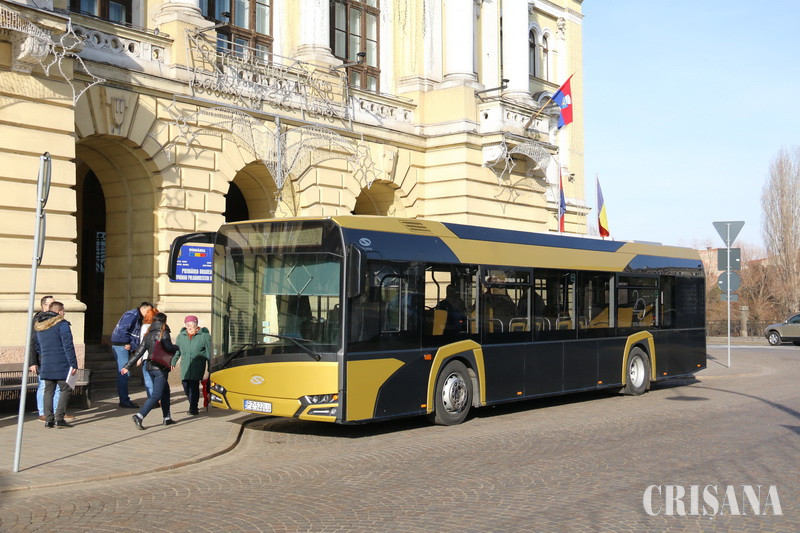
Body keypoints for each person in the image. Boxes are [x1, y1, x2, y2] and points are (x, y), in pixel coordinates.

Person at [121, 312, 178, 430]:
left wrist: (127, 366)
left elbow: (139, 353)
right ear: (164, 321)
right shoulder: (163, 333)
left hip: (150, 367)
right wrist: (176, 347)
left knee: (165, 392)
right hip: (161, 368)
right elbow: (169, 347)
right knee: (156, 395)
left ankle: (167, 418)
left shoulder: (148, 334)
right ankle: (139, 416)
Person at [33, 301, 78, 428]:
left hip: (46, 363)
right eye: (63, 311)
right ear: (58, 311)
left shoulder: (40, 326)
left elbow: (37, 346)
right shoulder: (62, 324)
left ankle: (48, 420)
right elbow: (68, 345)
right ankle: (59, 418)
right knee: (65, 389)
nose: (64, 313)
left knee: (48, 391)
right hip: (61, 362)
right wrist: (73, 364)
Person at [110, 301, 152, 408]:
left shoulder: (137, 316)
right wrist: (127, 342)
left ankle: (124, 399)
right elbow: (122, 329)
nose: (149, 313)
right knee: (124, 373)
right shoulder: (132, 314)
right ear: (143, 308)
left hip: (123, 346)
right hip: (121, 346)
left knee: (124, 372)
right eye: (148, 311)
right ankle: (124, 401)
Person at [172, 315, 212, 416]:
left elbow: (209, 353)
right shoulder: (181, 336)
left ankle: (193, 407)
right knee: (185, 385)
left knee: (194, 386)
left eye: (191, 325)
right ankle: (192, 403)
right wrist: (173, 362)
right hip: (185, 366)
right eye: (187, 325)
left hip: (197, 365)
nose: (189, 327)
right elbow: (177, 351)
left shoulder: (204, 336)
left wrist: (210, 367)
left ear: (196, 325)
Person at [136, 307, 160, 399]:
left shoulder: (145, 327)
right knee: (157, 379)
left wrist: (139, 358)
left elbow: (142, 343)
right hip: (158, 357)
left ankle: (152, 399)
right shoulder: (161, 327)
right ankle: (157, 398)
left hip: (147, 357)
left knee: (148, 379)